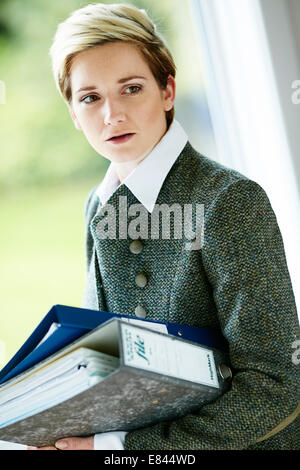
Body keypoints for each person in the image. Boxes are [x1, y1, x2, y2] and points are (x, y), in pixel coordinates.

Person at [32, 2, 299, 450]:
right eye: (90, 97)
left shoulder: (230, 201)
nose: (111, 114)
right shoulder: (97, 206)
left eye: (131, 88)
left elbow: (278, 389)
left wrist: (117, 449)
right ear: (74, 115)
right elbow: (106, 362)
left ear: (168, 90)